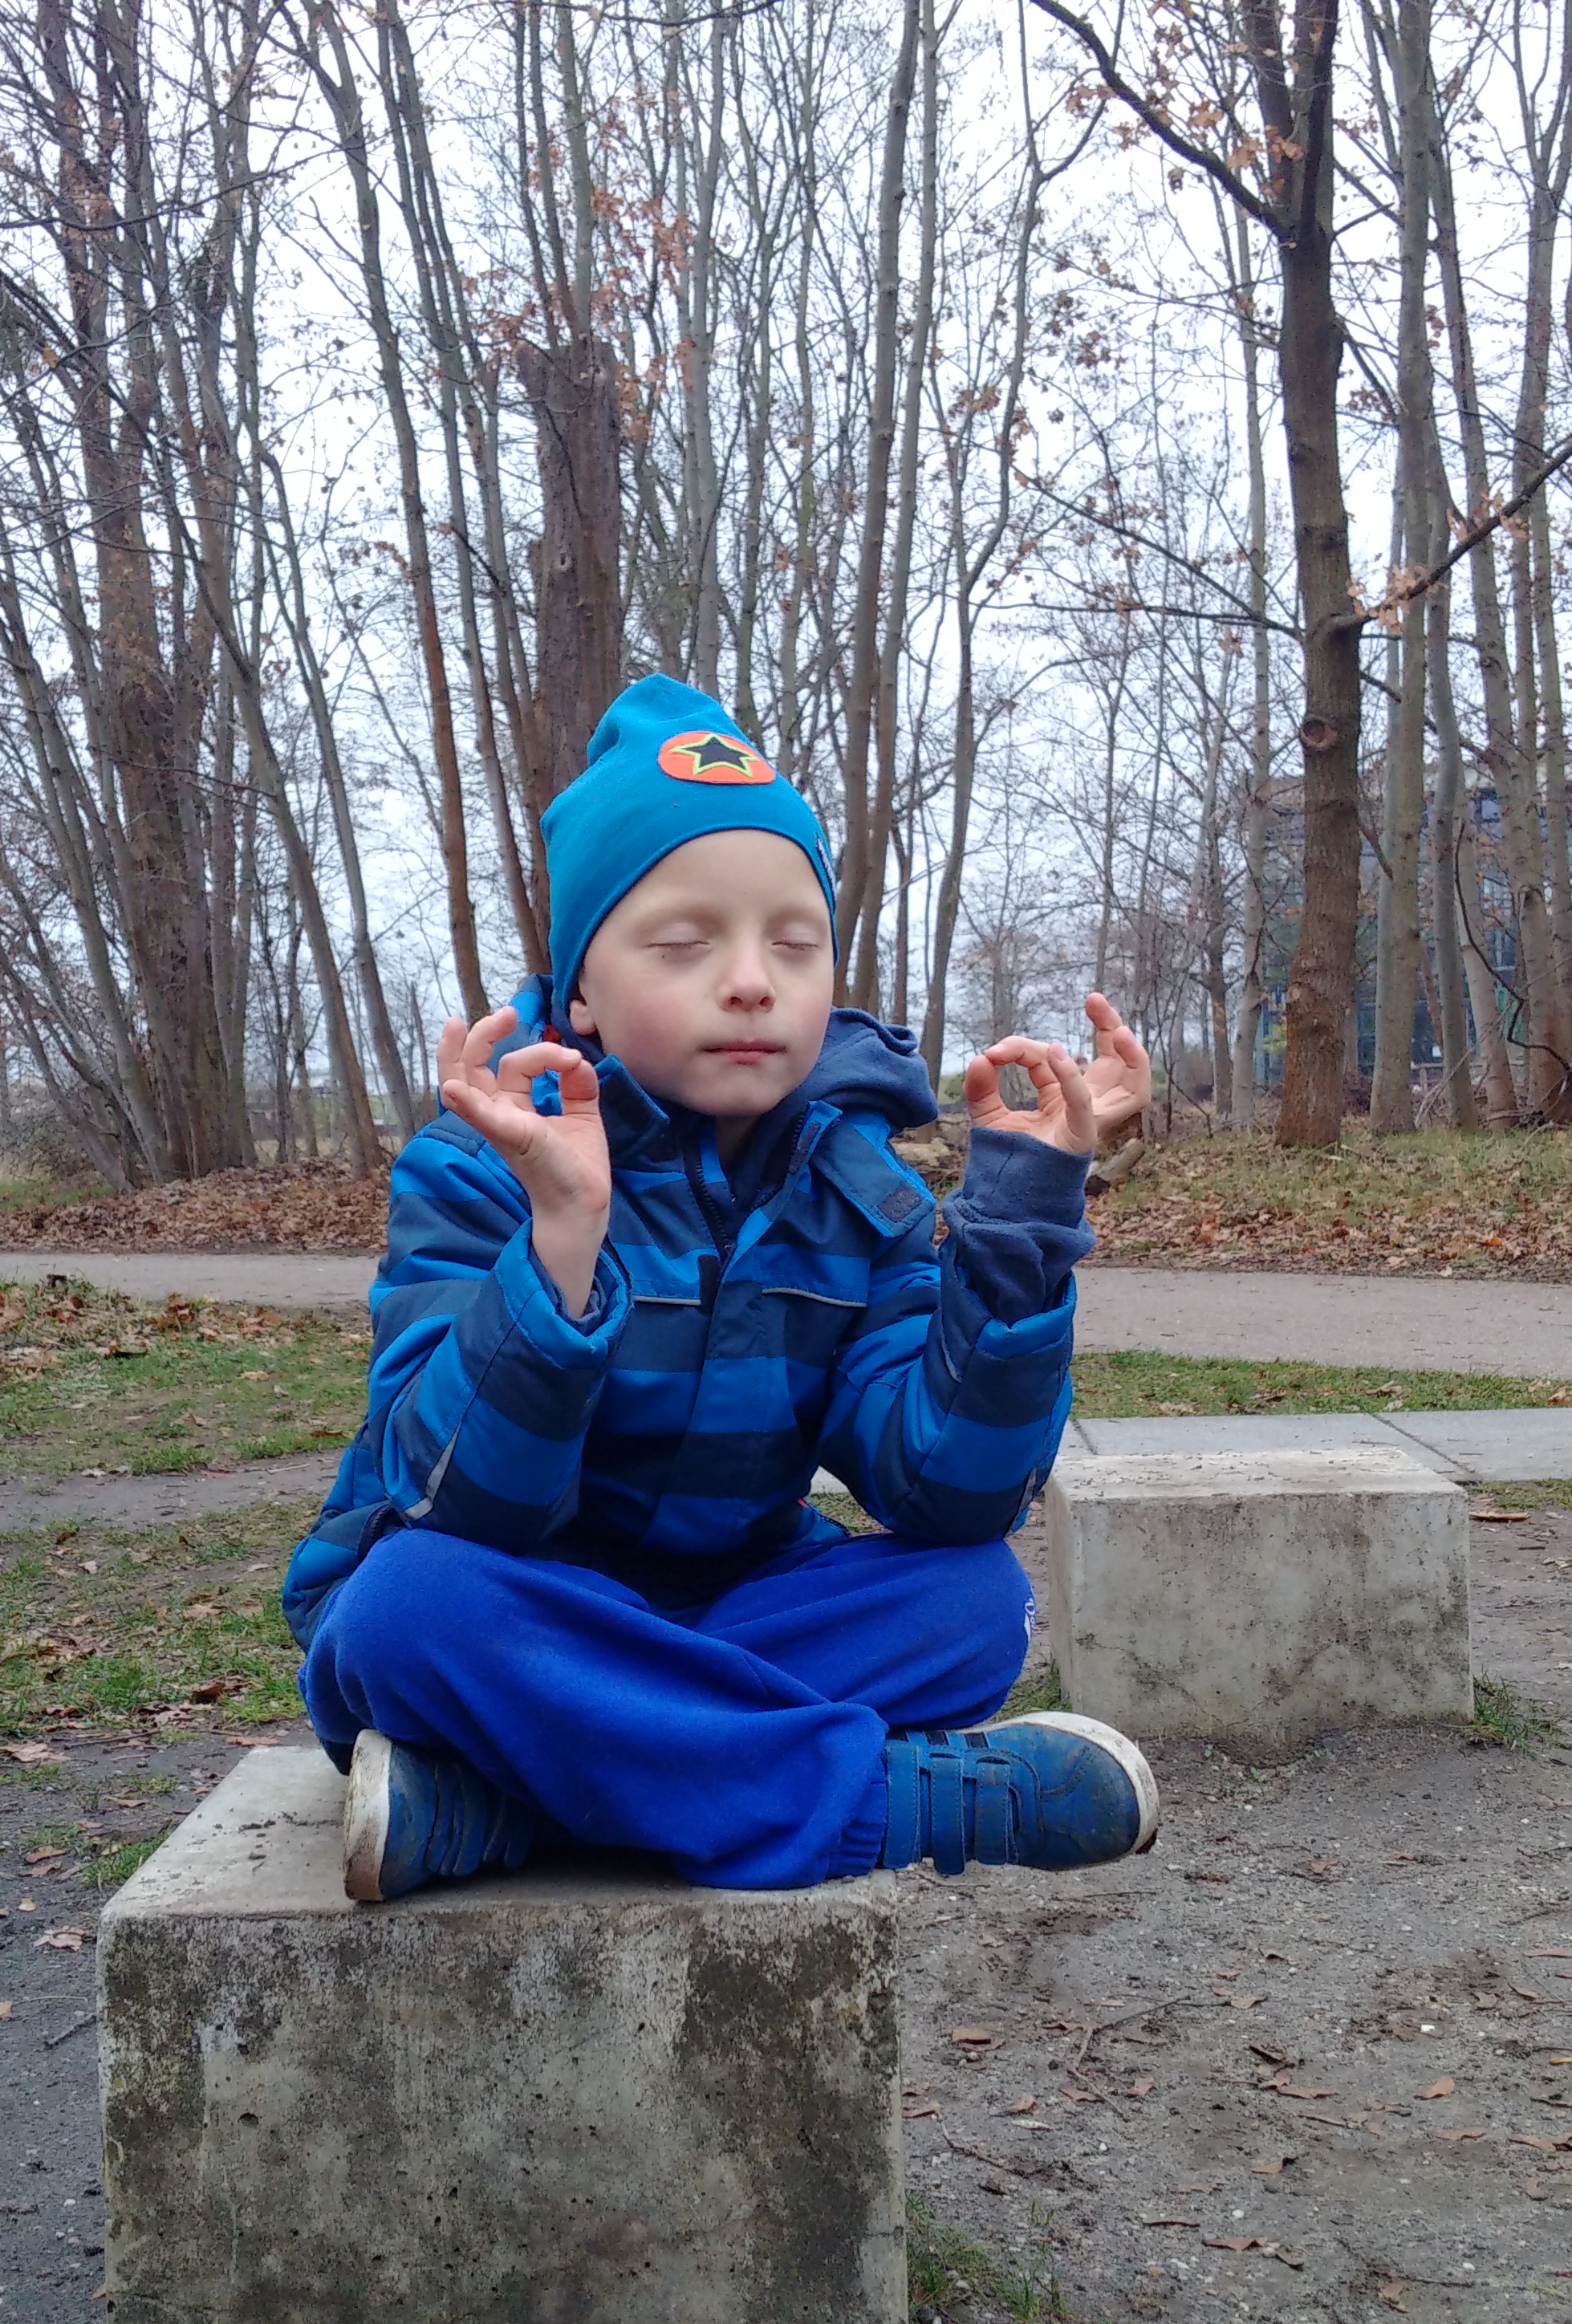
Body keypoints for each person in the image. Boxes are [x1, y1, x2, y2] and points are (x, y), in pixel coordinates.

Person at [281, 674, 1160, 1902]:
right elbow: (454, 1504)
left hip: (730, 1604)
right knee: (403, 1612)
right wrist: (562, 1242)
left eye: (793, 944)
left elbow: (946, 1494)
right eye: (685, 944)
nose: (751, 980)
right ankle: (889, 1804)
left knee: (972, 1602)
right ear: (581, 992)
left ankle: (518, 1800)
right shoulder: (479, 1168)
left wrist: (1019, 1223)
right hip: (513, 1601)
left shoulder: (858, 1192)